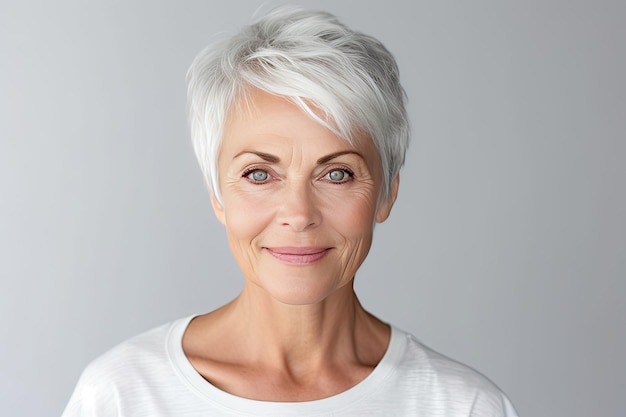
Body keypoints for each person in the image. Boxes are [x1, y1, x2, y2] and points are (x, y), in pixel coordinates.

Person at [62, 7, 518, 416]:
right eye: (259, 174)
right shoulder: (121, 396)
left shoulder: (461, 406)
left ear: (386, 194)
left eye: (337, 174)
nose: (298, 214)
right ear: (216, 195)